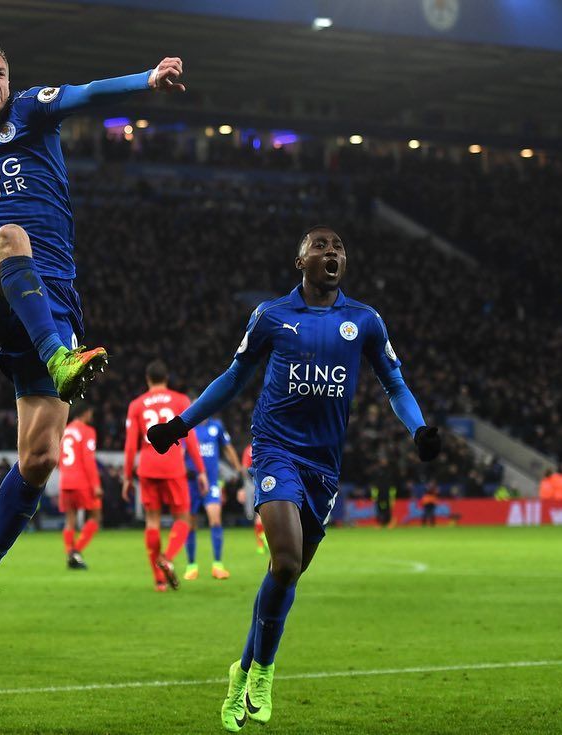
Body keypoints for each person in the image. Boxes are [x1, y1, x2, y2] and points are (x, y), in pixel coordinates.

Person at [0, 41, 186, 643]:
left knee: (39, 458)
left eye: (0, 72)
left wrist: (148, 80)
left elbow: (89, 92)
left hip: (50, 303)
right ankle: (59, 358)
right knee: (9, 235)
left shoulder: (34, 111)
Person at [146, 226, 441, 731]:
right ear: (300, 261)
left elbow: (394, 382)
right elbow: (233, 378)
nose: (332, 252)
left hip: (323, 468)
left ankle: (241, 668)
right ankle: (263, 670)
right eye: (320, 246)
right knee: (283, 562)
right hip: (275, 451)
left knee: (286, 574)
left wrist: (419, 429)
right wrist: (180, 425)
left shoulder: (364, 320)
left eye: (339, 247)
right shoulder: (271, 316)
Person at [123, 360, 207, 591]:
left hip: (148, 467)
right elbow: (190, 439)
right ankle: (167, 558)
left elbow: (130, 445)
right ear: (166, 379)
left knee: (152, 521)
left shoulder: (137, 405)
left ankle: (159, 581)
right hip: (172, 467)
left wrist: (127, 477)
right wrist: (201, 471)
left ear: (148, 380)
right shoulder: (180, 400)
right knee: (183, 519)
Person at [183, 411, 243, 581]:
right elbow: (180, 452)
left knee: (215, 520)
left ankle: (217, 566)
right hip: (191, 483)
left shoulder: (216, 427)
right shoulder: (188, 429)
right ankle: (191, 566)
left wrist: (238, 468)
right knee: (190, 524)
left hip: (211, 483)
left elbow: (228, 448)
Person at [58, 404, 102, 570]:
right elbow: (88, 460)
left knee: (70, 520)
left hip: (65, 480)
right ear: (86, 412)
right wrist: (96, 485)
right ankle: (75, 551)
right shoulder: (87, 431)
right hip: (81, 481)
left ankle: (71, 553)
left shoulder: (65, 430)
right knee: (96, 517)